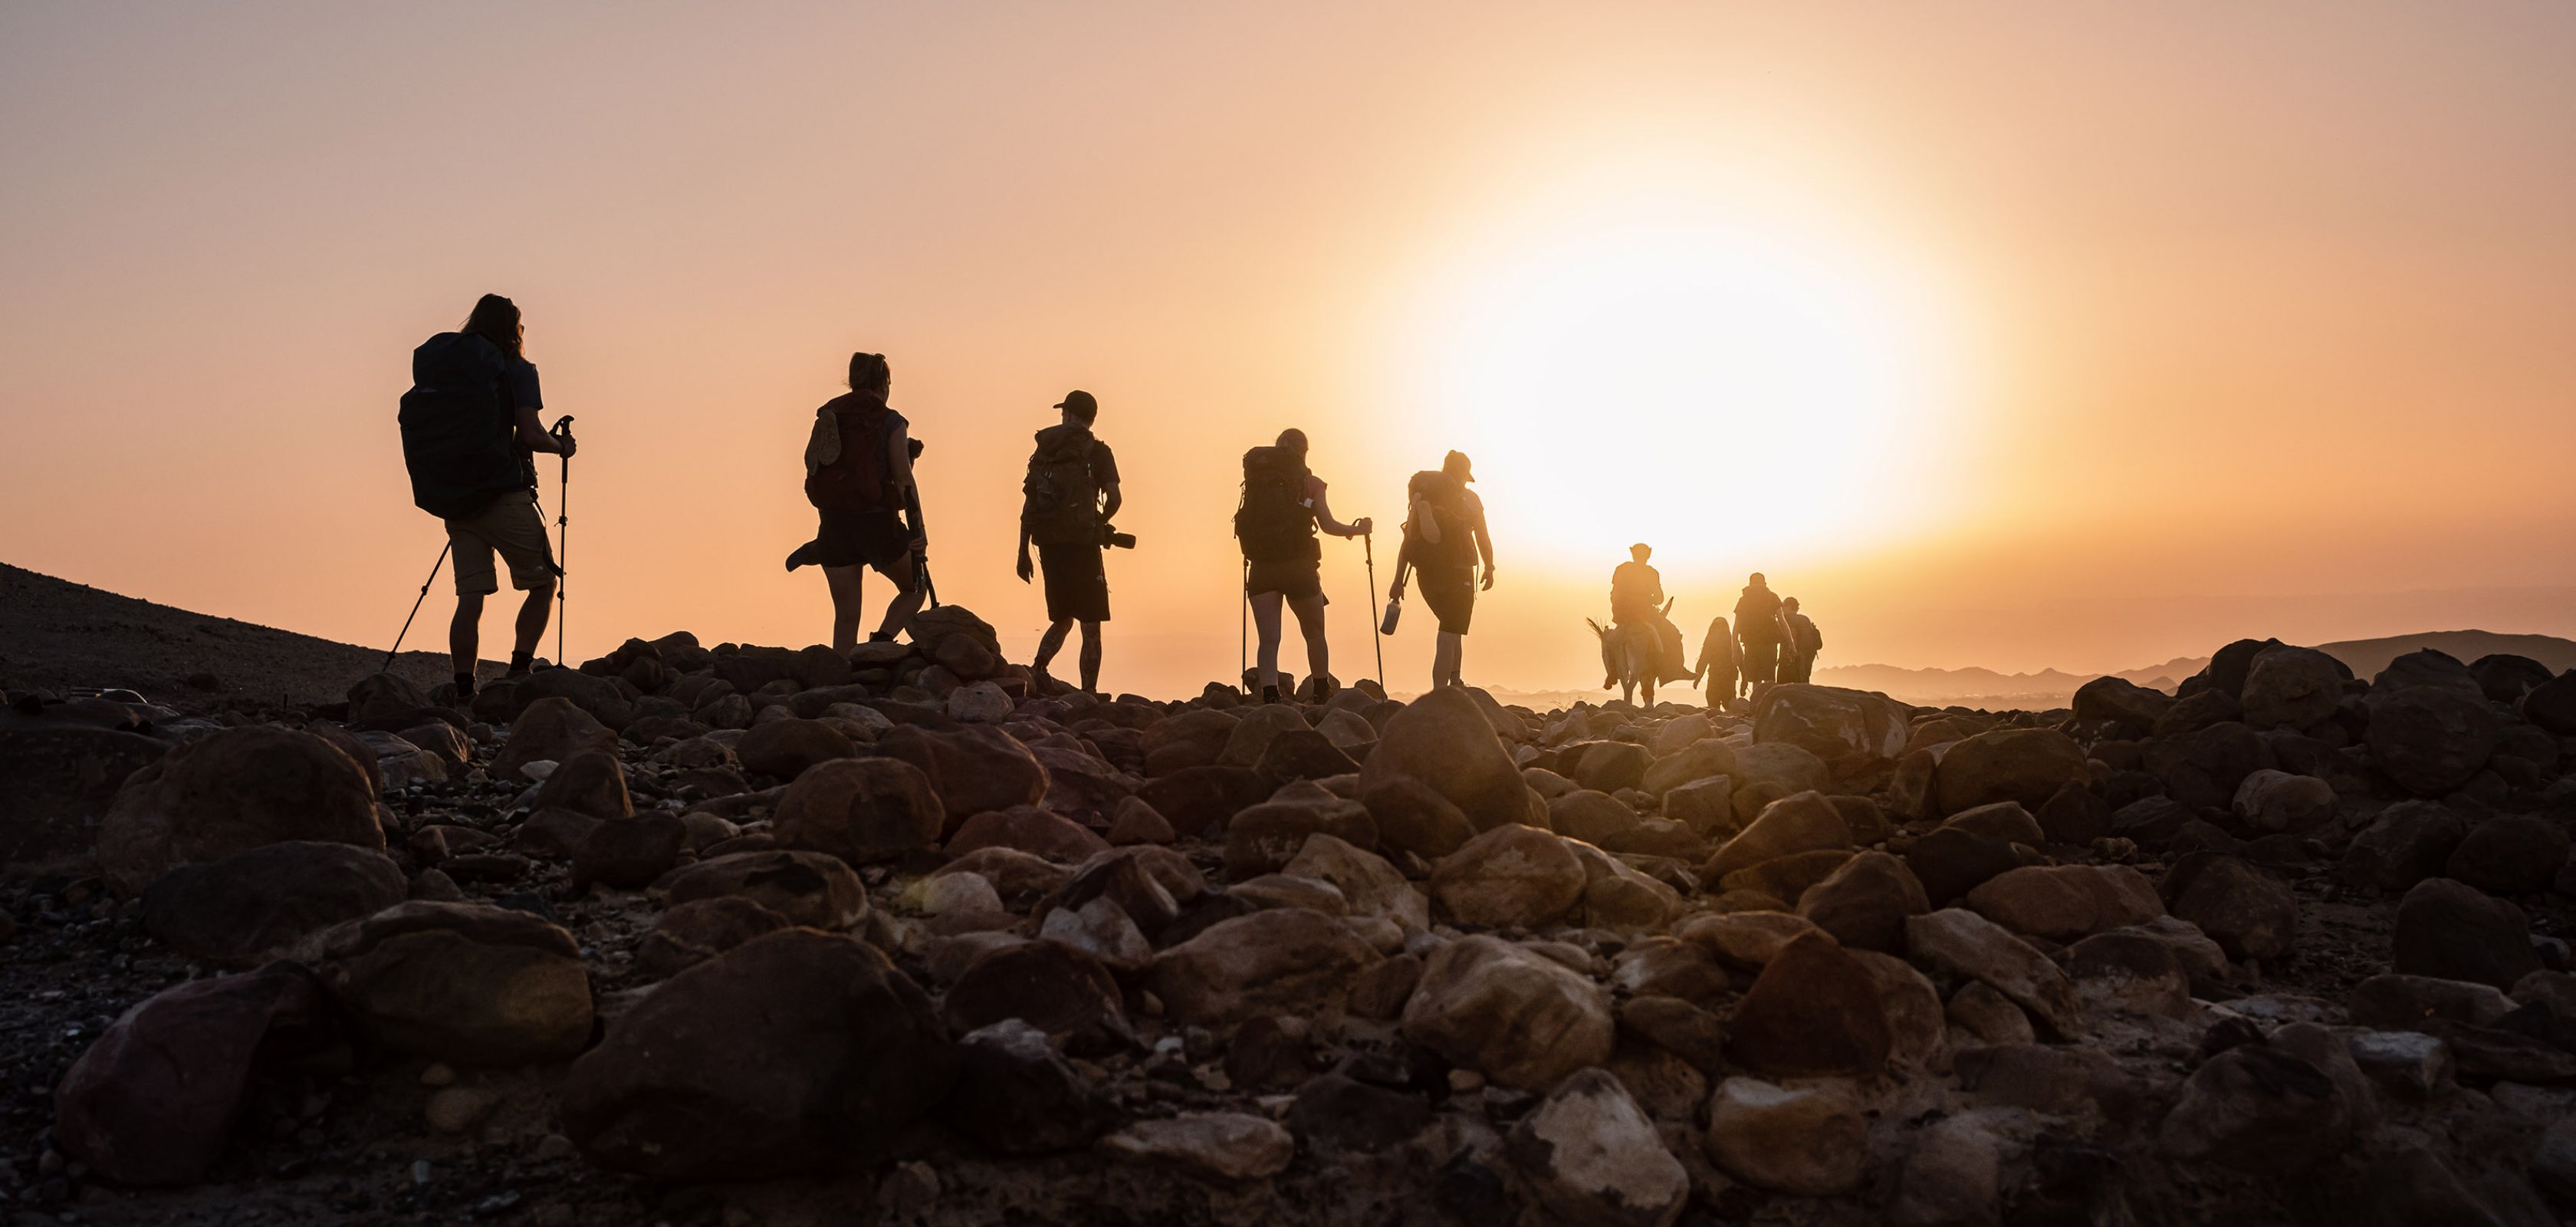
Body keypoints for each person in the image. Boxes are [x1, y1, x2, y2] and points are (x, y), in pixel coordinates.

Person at [398, 294, 575, 699]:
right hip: (504, 494)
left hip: (457, 500)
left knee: (470, 597)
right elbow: (529, 434)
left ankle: (464, 689)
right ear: (514, 329)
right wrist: (561, 447)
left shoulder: (454, 371)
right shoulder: (518, 370)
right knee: (543, 583)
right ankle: (519, 671)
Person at [800, 352, 925, 653]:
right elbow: (904, 481)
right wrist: (918, 530)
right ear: (884, 384)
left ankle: (840, 680)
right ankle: (880, 644)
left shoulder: (830, 416)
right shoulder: (891, 421)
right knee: (915, 588)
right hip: (878, 525)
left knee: (846, 616)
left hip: (833, 524)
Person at [1237, 429, 1372, 704]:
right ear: (1304, 452)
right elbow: (1328, 525)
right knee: (1314, 634)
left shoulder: (1254, 482)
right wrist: (1357, 531)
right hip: (1299, 567)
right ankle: (1322, 691)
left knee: (1269, 640)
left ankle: (1271, 696)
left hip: (1262, 569)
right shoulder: (1310, 483)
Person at [1017, 390, 1121, 693]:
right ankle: (1088, 693)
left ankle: (1038, 669)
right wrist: (1099, 523)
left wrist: (1022, 552)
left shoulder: (1045, 451)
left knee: (1062, 619)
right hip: (1083, 544)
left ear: (1070, 414)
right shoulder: (1099, 452)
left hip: (1049, 544)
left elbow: (1029, 504)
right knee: (1090, 625)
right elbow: (1114, 497)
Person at [1397, 449, 1493, 690]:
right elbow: (1482, 536)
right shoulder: (1469, 499)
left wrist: (1398, 581)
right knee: (1450, 631)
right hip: (1458, 573)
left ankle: (1455, 680)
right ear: (1463, 475)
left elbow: (1409, 539)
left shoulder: (1425, 493)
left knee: (1453, 627)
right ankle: (1441, 692)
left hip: (1426, 572)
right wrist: (1489, 567)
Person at [1609, 543, 1689, 684]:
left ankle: (1612, 671)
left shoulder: (1621, 569)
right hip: (1645, 614)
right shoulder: (1652, 573)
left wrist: (1618, 609)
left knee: (1610, 640)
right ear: (1649, 554)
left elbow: (1614, 593)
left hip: (1622, 615)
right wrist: (1648, 599)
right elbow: (1660, 598)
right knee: (1673, 634)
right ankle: (1676, 670)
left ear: (1632, 553)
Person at [1733, 572, 1785, 692]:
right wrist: (1791, 645)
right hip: (1769, 644)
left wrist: (1734, 651)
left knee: (1755, 680)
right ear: (1765, 583)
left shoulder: (1744, 600)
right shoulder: (1772, 597)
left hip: (1750, 644)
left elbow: (1736, 627)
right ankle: (1768, 705)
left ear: (1750, 584)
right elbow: (1782, 622)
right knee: (1769, 679)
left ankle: (1755, 706)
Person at [1693, 614, 1744, 709]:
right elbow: (1741, 660)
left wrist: (1697, 678)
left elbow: (1703, 660)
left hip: (1715, 677)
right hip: (1730, 677)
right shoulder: (1732, 640)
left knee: (1713, 706)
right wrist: (1744, 680)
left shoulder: (1711, 639)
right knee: (1729, 706)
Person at [1778, 596, 1822, 684]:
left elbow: (1792, 635)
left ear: (1789, 607)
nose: (1781, 609)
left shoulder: (1787, 619)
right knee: (1803, 683)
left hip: (1791, 657)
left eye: (1783, 606)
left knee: (1783, 686)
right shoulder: (1805, 619)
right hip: (1806, 658)